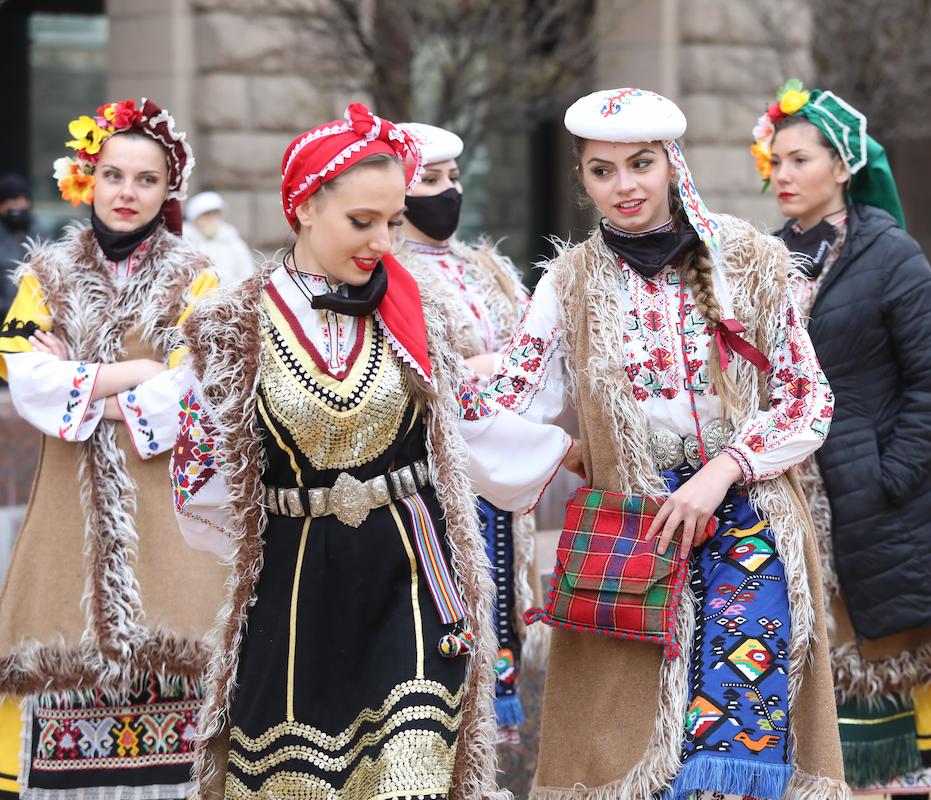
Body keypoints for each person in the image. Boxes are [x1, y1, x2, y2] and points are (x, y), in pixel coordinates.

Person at [172, 102, 570, 799]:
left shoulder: (421, 310)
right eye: (363, 222)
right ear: (302, 207)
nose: (383, 240)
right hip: (297, 582)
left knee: (412, 767)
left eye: (392, 221)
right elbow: (201, 477)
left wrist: (581, 452)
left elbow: (474, 423)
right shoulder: (230, 328)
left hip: (409, 570)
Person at [462, 87, 846, 799]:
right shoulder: (568, 282)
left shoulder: (751, 261)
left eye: (640, 164)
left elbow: (807, 397)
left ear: (671, 163)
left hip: (749, 521)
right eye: (602, 171)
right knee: (630, 755)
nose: (624, 186)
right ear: (581, 179)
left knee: (739, 745)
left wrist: (724, 470)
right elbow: (501, 406)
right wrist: (565, 453)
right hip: (630, 539)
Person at [0, 98, 227, 798]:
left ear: (168, 190)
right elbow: (24, 375)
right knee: (58, 659)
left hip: (172, 518)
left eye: (146, 179)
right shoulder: (46, 275)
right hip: (67, 517)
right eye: (114, 175)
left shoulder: (200, 278)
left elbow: (199, 385)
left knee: (183, 669)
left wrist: (87, 384)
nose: (127, 193)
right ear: (86, 181)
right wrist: (140, 371)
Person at [752, 79, 931, 796]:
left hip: (870, 506)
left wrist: (888, 474)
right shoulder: (759, 261)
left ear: (843, 167)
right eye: (776, 161)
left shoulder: (889, 253)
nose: (782, 174)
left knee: (877, 704)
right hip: (782, 504)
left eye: (800, 160)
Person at [395, 121, 542, 742]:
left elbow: (536, 352)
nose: (447, 192)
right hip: (435, 469)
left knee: (499, 594)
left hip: (501, 462)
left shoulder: (489, 269)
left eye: (453, 179)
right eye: (430, 180)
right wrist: (484, 369)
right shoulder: (390, 270)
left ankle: (487, 731)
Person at [182, 190, 256, 286]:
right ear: (195, 218)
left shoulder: (233, 242)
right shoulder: (185, 243)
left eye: (215, 215)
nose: (211, 220)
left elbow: (247, 275)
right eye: (206, 215)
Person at [0, 174, 46, 320]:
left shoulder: (40, 233)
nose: (14, 205)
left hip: (36, 320)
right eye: (8, 200)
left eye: (19, 198)